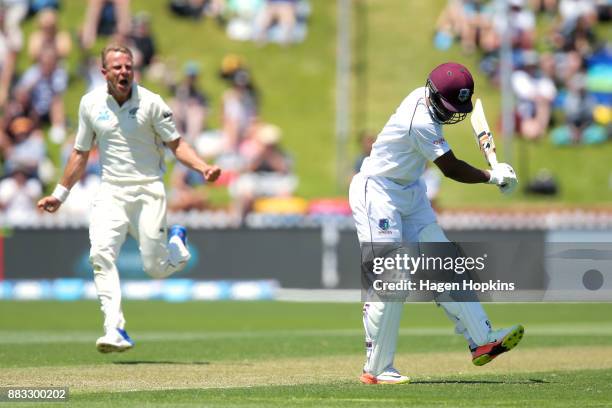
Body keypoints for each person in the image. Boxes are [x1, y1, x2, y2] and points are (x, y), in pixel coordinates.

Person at [37, 44, 221, 353]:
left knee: (156, 268)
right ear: (104, 72)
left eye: (128, 66)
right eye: (117, 67)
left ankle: (176, 244)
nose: (123, 72)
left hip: (149, 190)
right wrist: (59, 194)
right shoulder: (90, 103)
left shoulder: (152, 103)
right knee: (100, 254)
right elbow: (80, 153)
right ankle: (114, 328)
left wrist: (203, 167)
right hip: (110, 192)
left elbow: (176, 144)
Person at [348, 62, 523, 385]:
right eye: (447, 106)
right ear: (431, 94)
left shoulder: (431, 107)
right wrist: (492, 176)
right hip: (378, 192)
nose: (450, 114)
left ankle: (482, 339)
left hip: (410, 192)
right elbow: (451, 168)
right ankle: (376, 369)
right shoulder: (419, 119)